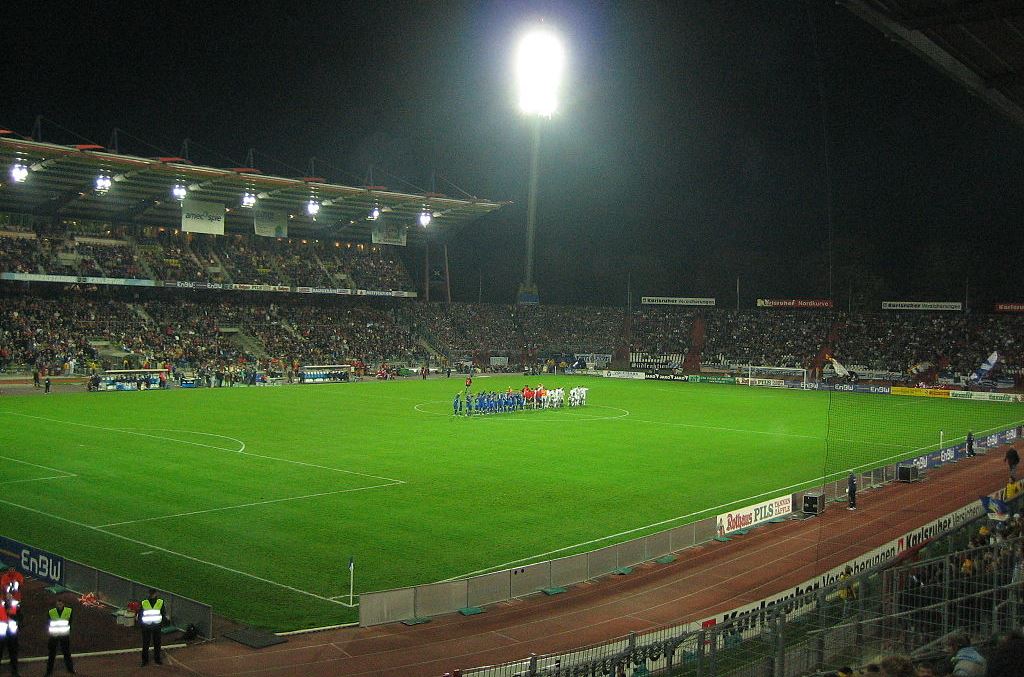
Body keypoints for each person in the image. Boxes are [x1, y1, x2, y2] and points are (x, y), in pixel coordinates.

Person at [45, 596, 75, 675]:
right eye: (58, 604)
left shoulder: (68, 611)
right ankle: (49, 671)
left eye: (60, 604)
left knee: (66, 653)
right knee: (52, 654)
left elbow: (70, 621)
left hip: (64, 636)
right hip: (54, 636)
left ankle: (70, 669)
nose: (59, 605)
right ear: (56, 604)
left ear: (63, 604)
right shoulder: (51, 612)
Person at [138, 589, 166, 666]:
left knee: (146, 644)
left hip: (147, 626)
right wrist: (162, 624)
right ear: (156, 594)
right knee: (156, 643)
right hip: (156, 626)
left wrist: (141, 625)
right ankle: (157, 659)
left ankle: (145, 661)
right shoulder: (160, 602)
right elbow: (163, 614)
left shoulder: (144, 602)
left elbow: (140, 615)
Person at [0, 589, 19, 677]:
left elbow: (19, 618)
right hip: (2, 633)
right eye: (7, 595)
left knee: (13, 654)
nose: (9, 596)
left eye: (10, 595)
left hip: (12, 634)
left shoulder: (15, 605)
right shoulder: (1, 605)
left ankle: (14, 671)